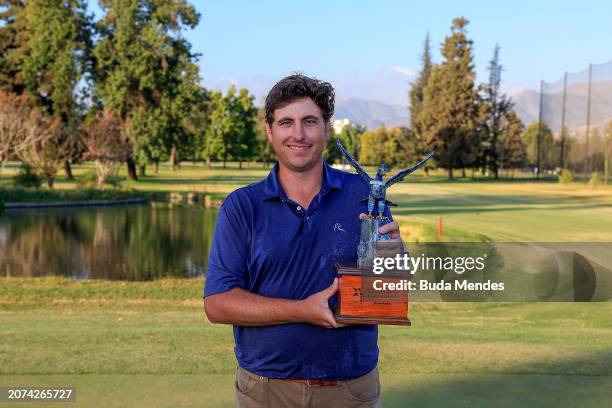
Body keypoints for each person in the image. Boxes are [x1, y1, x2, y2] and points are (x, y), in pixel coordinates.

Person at [203, 74, 401, 407]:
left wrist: (392, 261)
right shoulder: (242, 206)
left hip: (351, 390)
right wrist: (301, 311)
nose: (298, 134)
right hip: (266, 390)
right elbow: (217, 303)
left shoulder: (363, 196)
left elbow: (387, 292)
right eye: (286, 122)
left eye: (310, 121)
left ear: (327, 128)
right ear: (270, 130)